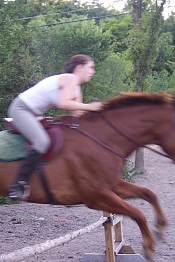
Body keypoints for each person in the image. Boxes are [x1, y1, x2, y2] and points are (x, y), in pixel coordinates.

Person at [7, 54, 103, 201]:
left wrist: (100, 113)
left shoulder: (76, 89)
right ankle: (18, 185)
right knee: (42, 142)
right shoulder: (70, 79)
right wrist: (90, 107)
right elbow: (63, 103)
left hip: (33, 113)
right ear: (79, 67)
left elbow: (77, 116)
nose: (93, 71)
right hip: (21, 109)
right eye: (90, 67)